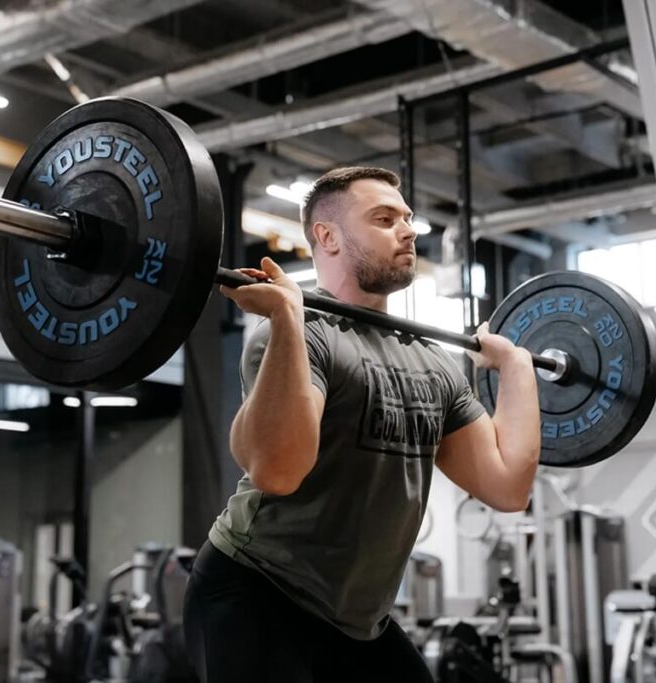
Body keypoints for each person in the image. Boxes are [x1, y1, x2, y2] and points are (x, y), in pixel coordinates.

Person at [183, 167, 540, 682]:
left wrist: (516, 368)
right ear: (326, 236)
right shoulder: (306, 335)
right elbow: (278, 470)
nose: (409, 230)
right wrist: (285, 319)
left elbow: (508, 486)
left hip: (358, 621)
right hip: (258, 590)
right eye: (384, 218)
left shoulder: (435, 365)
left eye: (408, 218)